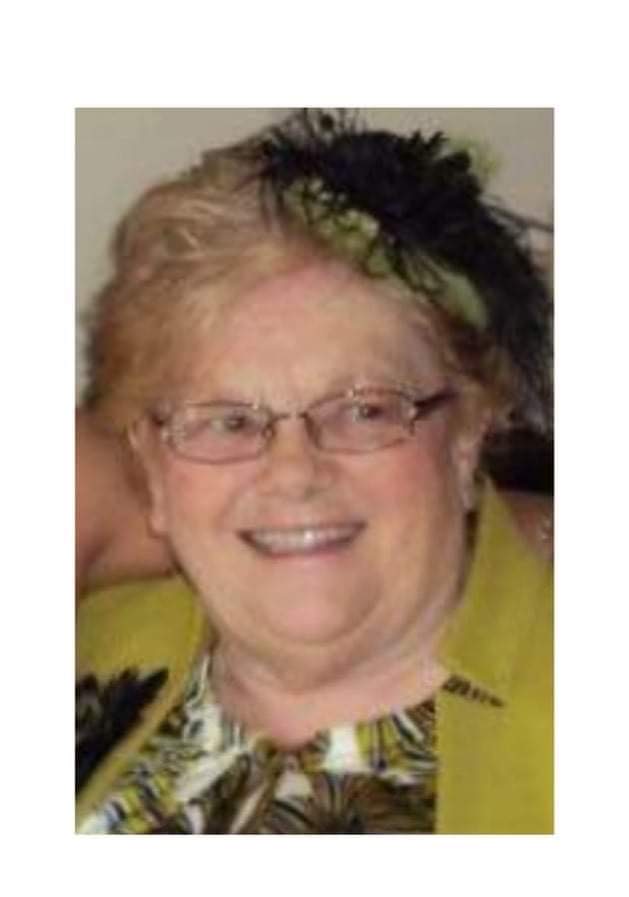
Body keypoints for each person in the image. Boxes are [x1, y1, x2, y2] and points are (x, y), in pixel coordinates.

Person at [76, 109, 553, 834]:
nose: (294, 473)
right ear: (150, 460)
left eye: (363, 410)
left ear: (466, 435)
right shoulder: (88, 645)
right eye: (229, 420)